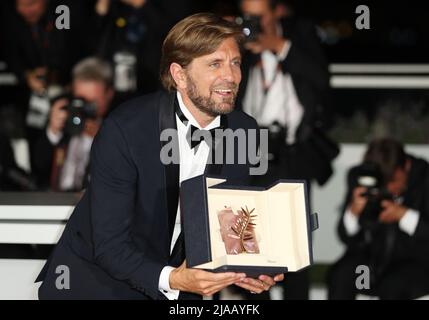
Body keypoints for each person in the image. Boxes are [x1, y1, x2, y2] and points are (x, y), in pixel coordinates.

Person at [36, 13, 284, 300]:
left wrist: (250, 270)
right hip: (95, 283)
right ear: (180, 75)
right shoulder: (126, 129)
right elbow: (110, 247)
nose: (230, 76)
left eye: (235, 62)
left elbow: (229, 225)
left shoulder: (244, 129)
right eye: (215, 64)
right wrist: (174, 279)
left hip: (180, 288)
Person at [236, 0, 335, 300]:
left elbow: (321, 78)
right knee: (250, 243)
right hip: (251, 153)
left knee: (296, 245)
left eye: (258, 15)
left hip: (293, 153)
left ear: (277, 11)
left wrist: (279, 46)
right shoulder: (238, 43)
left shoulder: (301, 35)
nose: (252, 21)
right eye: (247, 15)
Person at [328, 138, 429, 300]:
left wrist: (404, 215)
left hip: (414, 265)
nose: (388, 188)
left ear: (406, 167)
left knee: (394, 286)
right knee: (342, 275)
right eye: (383, 183)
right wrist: (353, 212)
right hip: (370, 269)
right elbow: (345, 236)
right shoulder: (361, 177)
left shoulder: (424, 178)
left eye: (392, 181)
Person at [31, 57, 114, 191]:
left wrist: (104, 140)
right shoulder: (64, 119)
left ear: (109, 94)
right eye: (79, 100)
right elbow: (38, 166)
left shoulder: (118, 127)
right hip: (54, 202)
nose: (84, 106)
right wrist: (52, 132)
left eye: (91, 102)